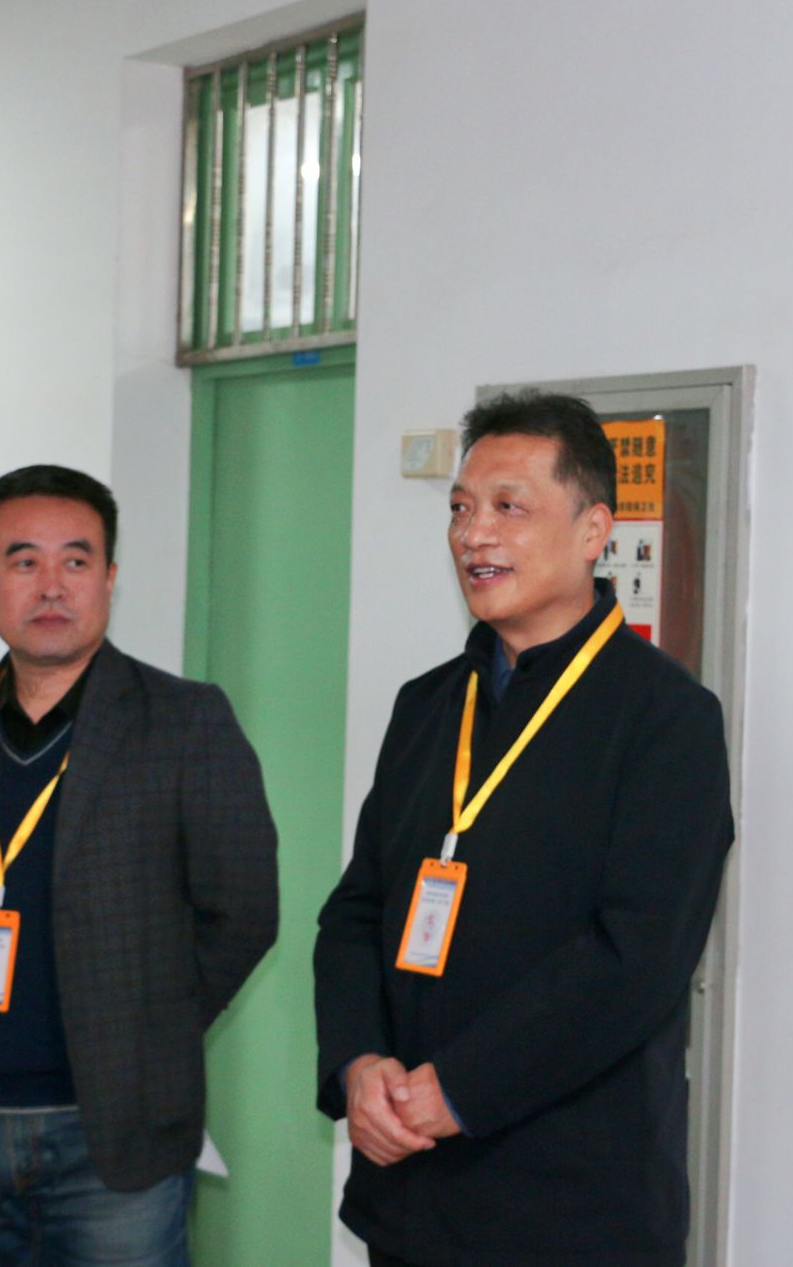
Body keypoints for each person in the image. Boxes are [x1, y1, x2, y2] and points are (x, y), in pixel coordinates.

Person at [313, 392, 733, 1267]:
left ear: (593, 531)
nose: (474, 534)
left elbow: (636, 957)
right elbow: (357, 910)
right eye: (461, 508)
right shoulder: (429, 704)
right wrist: (360, 1063)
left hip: (570, 1207)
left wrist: (459, 1089)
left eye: (509, 506)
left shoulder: (665, 717)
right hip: (411, 1193)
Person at [0, 464, 278, 1265]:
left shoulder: (186, 721)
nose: (52, 585)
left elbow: (243, 911)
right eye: (23, 560)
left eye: (76, 560)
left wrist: (149, 1028)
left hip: (113, 1130)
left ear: (109, 578)